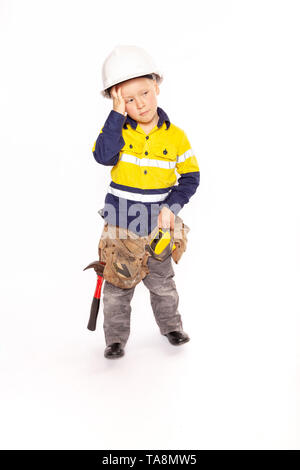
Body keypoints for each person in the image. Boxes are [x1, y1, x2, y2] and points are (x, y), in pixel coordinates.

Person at [91, 45, 200, 359]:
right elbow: (102, 156)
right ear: (117, 100)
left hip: (157, 225)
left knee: (162, 281)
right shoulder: (116, 131)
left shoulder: (176, 136)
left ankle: (171, 327)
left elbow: (191, 177)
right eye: (128, 99)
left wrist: (172, 206)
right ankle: (115, 340)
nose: (139, 104)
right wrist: (115, 115)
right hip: (120, 224)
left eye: (144, 93)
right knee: (117, 286)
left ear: (157, 87)